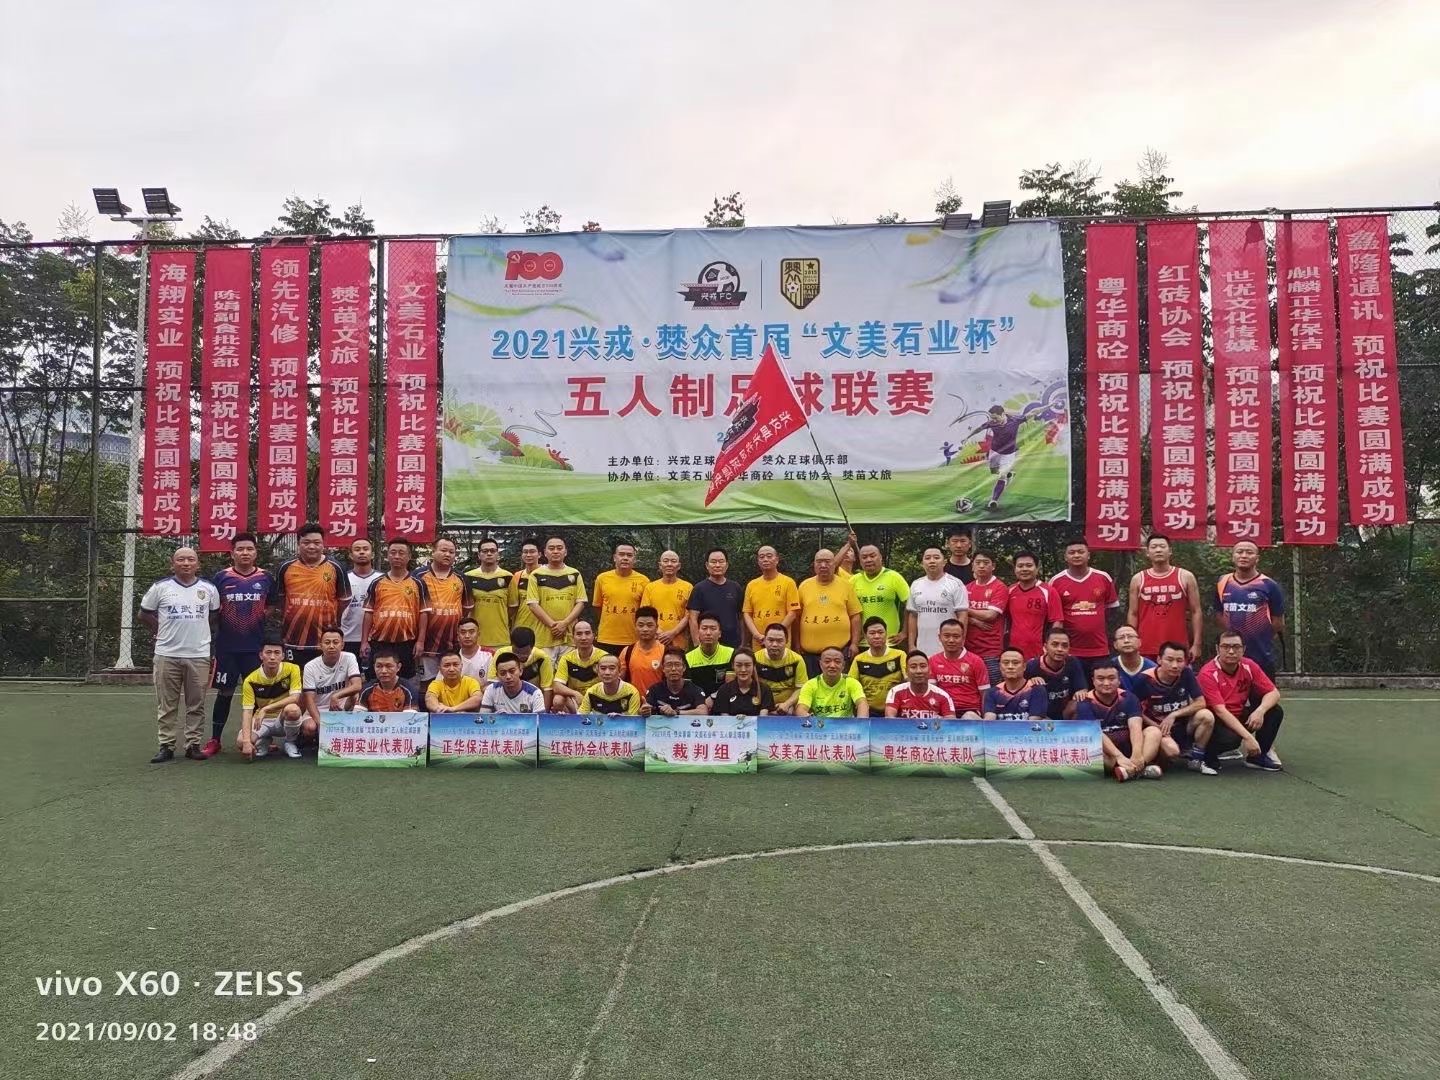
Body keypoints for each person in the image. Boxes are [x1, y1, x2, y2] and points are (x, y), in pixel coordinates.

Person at [140, 546, 220, 762]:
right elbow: (144, 614)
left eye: (190, 559)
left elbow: (213, 616)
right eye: (181, 559)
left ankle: (193, 744)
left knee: (196, 703)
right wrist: (160, 630)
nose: (186, 563)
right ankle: (166, 745)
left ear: (197, 564)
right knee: (167, 703)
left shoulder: (209, 589)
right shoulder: (160, 588)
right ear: (172, 564)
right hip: (167, 654)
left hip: (198, 655)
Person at [207, 533, 273, 758]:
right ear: (232, 553)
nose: (245, 553)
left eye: (249, 549)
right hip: (227, 648)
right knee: (225, 692)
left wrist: (255, 621)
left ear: (256, 552)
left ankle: (260, 737)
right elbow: (213, 610)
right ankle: (215, 739)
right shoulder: (221, 577)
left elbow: (271, 606)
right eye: (240, 549)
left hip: (254, 648)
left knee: (258, 693)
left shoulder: (265, 577)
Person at [1197, 630, 1285, 772]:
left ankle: (1257, 757)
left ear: (1243, 649)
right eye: (1226, 647)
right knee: (1231, 739)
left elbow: (1273, 693)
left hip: (1238, 714)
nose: (1231, 651)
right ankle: (1207, 754)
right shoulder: (1208, 673)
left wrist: (1260, 711)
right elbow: (1220, 711)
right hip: (1216, 721)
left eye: (1236, 647)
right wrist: (1248, 737)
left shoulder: (1249, 665)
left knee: (1274, 711)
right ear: (1217, 649)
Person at [269, 522, 351, 671]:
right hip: (293, 638)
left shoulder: (336, 567)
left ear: (323, 544)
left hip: (325, 640)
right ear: (298, 544)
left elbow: (344, 600)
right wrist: (293, 614)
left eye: (316, 543)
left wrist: (334, 620)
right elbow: (280, 599)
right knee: (295, 680)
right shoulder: (285, 567)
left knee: (325, 680)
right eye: (306, 543)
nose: (312, 547)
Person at [1133, 640, 1217, 775]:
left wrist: (1174, 714)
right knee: (1172, 751)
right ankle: (1153, 763)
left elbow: (1201, 702)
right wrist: (1157, 727)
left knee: (1206, 716)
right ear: (1159, 660)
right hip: (1156, 728)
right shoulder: (1145, 679)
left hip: (1181, 725)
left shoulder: (1186, 673)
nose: (1175, 665)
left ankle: (1196, 760)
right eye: (1169, 660)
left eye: (1179, 661)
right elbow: (1134, 712)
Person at [1077, 660, 1160, 782]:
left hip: (1129, 749)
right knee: (1090, 750)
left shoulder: (1129, 697)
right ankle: (1137, 770)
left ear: (1119, 680)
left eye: (1111, 678)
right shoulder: (1085, 703)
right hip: (1108, 753)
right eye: (1100, 679)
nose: (1106, 683)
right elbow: (1096, 733)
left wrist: (1137, 754)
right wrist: (1118, 756)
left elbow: (1135, 727)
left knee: (1154, 731)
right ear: (1093, 681)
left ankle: (1132, 769)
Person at [1213, 541, 1287, 679]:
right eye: (1239, 552)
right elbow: (1219, 614)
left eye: (1249, 552)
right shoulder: (1223, 582)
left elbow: (1278, 622)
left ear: (1257, 558)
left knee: (1265, 693)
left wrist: (1260, 635)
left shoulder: (1269, 585)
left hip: (1261, 657)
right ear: (1233, 556)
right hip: (1230, 658)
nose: (1244, 556)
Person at [1048, 538, 1120, 680]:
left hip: (1099, 649)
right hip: (1069, 651)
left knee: (1101, 686)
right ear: (1065, 557)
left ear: (1088, 555)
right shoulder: (1056, 581)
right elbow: (1055, 617)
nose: (1076, 555)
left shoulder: (1103, 577)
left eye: (1080, 552)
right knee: (1076, 689)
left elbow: (1111, 610)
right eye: (1072, 552)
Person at [1127, 533, 1202, 662]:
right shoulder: (1138, 579)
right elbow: (1133, 613)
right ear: (1147, 552)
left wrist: (1197, 644)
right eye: (1154, 547)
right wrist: (1131, 642)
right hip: (1146, 646)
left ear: (1170, 551)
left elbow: (1196, 611)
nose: (1158, 550)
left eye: (1162, 546)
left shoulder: (1185, 576)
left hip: (1177, 647)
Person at [362, 538, 429, 679]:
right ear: (387, 555)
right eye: (393, 552)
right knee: (377, 679)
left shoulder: (418, 583)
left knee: (405, 681)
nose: (397, 556)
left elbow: (423, 614)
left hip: (406, 642)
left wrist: (420, 641)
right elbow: (368, 612)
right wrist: (364, 641)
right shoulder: (377, 582)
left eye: (401, 553)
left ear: (409, 556)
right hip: (379, 642)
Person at [957, 404, 1036, 511]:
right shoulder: (992, 423)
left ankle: (994, 500)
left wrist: (1049, 405)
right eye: (992, 418)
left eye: (995, 417)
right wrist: (967, 437)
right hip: (994, 452)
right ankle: (1009, 474)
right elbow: (979, 429)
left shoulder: (1015, 420)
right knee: (994, 471)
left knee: (1002, 476)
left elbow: (1033, 412)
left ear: (1002, 414)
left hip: (1008, 454)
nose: (993, 420)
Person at [796, 549, 862, 676]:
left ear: (834, 563)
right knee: (811, 686)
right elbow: (797, 618)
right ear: (814, 564)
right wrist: (797, 644)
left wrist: (854, 643)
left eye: (827, 561)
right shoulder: (804, 586)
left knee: (839, 686)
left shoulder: (846, 585)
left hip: (840, 653)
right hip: (809, 655)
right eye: (819, 562)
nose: (823, 565)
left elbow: (855, 616)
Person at [238, 638, 304, 760]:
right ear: (261, 655)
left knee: (293, 710)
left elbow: (295, 698)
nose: (272, 657)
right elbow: (247, 711)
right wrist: (246, 742)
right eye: (268, 652)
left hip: (283, 718)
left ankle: (290, 742)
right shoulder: (250, 680)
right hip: (261, 721)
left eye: (277, 653)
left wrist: (266, 709)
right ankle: (264, 740)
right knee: (241, 742)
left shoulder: (292, 669)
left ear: (283, 656)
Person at [416, 536, 472, 680]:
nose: (447, 554)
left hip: (452, 643)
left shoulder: (462, 578)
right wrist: (419, 641)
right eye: (443, 550)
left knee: (452, 680)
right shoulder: (418, 576)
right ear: (433, 552)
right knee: (426, 682)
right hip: (426, 643)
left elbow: (466, 609)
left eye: (451, 552)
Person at [526, 535, 586, 658]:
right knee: (545, 670)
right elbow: (532, 604)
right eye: (551, 548)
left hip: (569, 638)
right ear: (545, 552)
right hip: (544, 638)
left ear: (565, 552)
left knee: (567, 669)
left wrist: (565, 624)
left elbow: (581, 602)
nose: (555, 551)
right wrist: (553, 626)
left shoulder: (574, 574)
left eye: (559, 548)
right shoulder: (536, 575)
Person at [907, 546, 968, 657]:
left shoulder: (955, 584)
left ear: (944, 562)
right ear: (922, 563)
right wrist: (911, 645)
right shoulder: (916, 584)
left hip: (948, 649)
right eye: (927, 558)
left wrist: (960, 643)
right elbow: (913, 616)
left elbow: (963, 615)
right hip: (922, 648)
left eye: (936, 557)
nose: (932, 561)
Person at [592, 540, 650, 655]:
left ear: (634, 559)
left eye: (629, 555)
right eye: (621, 554)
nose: (625, 558)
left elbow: (644, 612)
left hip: (632, 639)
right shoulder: (602, 578)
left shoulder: (644, 581)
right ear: (614, 557)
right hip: (606, 638)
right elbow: (597, 607)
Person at [849, 543, 910, 648]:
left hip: (889, 642)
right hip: (862, 643)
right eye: (864, 557)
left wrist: (904, 632)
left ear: (880, 557)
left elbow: (910, 606)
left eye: (872, 556)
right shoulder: (854, 580)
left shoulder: (894, 577)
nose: (868, 560)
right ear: (860, 561)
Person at [1006, 550, 1062, 662]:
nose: (1024, 569)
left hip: (1040, 653)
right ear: (1015, 569)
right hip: (1014, 653)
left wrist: (1050, 648)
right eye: (1020, 566)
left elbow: (1057, 622)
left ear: (1037, 568)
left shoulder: (1049, 591)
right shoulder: (1009, 591)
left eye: (1029, 565)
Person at [301, 626, 363, 727]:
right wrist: (321, 724)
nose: (331, 646)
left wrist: (336, 696)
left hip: (340, 706)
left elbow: (357, 685)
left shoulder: (349, 657)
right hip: (318, 708)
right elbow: (309, 699)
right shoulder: (310, 666)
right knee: (310, 728)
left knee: (356, 699)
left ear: (342, 645)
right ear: (320, 645)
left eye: (335, 642)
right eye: (327, 642)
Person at [1023, 627, 1090, 721]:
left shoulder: (1073, 662)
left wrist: (1082, 692)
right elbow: (1020, 694)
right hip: (1041, 715)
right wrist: (1030, 683)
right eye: (1055, 645)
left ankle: (1074, 730)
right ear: (1045, 647)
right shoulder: (1032, 665)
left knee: (1081, 703)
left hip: (1064, 714)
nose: (1060, 649)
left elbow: (1082, 689)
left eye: (1064, 646)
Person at [928, 618, 990, 718]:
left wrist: (985, 718)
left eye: (956, 636)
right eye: (946, 636)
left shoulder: (976, 661)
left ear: (963, 638)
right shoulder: (933, 661)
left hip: (970, 710)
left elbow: (985, 693)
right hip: (944, 710)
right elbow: (932, 691)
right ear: (939, 637)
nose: (951, 640)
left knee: (968, 716)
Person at [742, 545, 801, 647]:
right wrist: (756, 635)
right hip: (759, 642)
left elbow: (792, 613)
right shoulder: (751, 585)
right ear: (758, 561)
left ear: (777, 559)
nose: (765, 559)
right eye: (762, 557)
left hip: (780, 641)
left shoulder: (788, 582)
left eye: (769, 556)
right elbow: (747, 613)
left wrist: (775, 634)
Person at [964, 551, 1009, 683]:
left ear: (993, 566)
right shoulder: (966, 588)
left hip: (991, 652)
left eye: (986, 563)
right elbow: (957, 614)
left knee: (991, 687)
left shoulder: (999, 587)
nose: (981, 566)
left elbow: (990, 615)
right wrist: (974, 621)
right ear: (972, 566)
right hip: (968, 650)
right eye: (978, 563)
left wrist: (966, 609)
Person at [485, 626, 556, 710]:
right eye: (516, 652)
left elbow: (547, 689)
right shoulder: (501, 653)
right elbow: (492, 683)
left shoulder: (542, 658)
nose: (519, 656)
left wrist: (544, 715)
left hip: (531, 700)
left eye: (525, 653)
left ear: (532, 647)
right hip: (505, 701)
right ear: (511, 645)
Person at [686, 547, 743, 648]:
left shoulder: (735, 587)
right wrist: (697, 643)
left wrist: (743, 643)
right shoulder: (699, 588)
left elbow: (741, 617)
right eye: (713, 562)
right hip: (707, 645)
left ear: (727, 565)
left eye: (721, 561)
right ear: (707, 565)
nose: (717, 565)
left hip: (733, 644)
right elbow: (692, 618)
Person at [463, 536, 512, 651]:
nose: (489, 554)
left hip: (500, 639)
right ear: (479, 555)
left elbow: (512, 607)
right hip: (474, 640)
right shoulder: (468, 577)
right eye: (485, 551)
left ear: (498, 554)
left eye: (492, 551)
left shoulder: (508, 577)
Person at [849, 615, 906, 713]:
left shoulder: (900, 655)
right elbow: (851, 685)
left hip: (896, 710)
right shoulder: (859, 659)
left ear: (886, 634)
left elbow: (908, 679)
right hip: (869, 712)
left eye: (880, 632)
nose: (877, 636)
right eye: (872, 633)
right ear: (865, 636)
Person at [797, 647, 870, 718]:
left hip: (846, 724)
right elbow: (801, 709)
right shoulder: (810, 685)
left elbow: (862, 704)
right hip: (820, 724)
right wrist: (807, 717)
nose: (832, 665)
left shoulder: (852, 682)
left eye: (837, 662)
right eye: (827, 661)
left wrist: (861, 722)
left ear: (843, 665)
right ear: (820, 664)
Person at [640, 550, 692, 649]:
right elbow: (645, 613)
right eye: (666, 561)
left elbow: (688, 615)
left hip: (679, 642)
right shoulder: (650, 587)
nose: (669, 564)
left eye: (673, 561)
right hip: (655, 639)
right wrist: (659, 633)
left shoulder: (688, 587)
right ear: (660, 565)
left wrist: (673, 633)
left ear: (679, 566)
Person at [550, 619, 605, 713]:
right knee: (558, 700)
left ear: (594, 635)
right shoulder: (567, 658)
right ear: (573, 637)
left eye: (587, 633)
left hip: (598, 699)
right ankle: (573, 719)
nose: (583, 637)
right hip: (576, 700)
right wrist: (575, 693)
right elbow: (557, 686)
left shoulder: (604, 657)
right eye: (579, 634)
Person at [982, 647, 1050, 721]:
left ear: (1024, 667)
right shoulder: (992, 692)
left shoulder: (1036, 690)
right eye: (1006, 663)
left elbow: (1034, 722)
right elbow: (989, 720)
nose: (1010, 667)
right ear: (1000, 667)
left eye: (1015, 663)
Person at [341, 538, 381, 662]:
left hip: (375, 638)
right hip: (347, 637)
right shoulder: (343, 579)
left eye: (365, 549)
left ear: (372, 554)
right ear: (350, 555)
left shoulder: (382, 579)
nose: (362, 552)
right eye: (357, 549)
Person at [754, 622, 807, 715]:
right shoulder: (755, 659)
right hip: (762, 705)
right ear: (764, 640)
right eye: (770, 640)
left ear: (787, 641)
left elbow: (801, 688)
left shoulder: (797, 660)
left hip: (788, 706)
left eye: (779, 641)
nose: (774, 644)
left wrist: (787, 704)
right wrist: (764, 707)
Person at [883, 652, 955, 718]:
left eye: (923, 666)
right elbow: (889, 719)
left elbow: (951, 723)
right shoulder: (896, 692)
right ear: (906, 671)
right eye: (913, 667)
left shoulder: (943, 695)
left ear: (930, 670)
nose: (918, 671)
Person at [706, 648, 775, 716]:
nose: (743, 670)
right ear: (733, 666)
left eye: (747, 665)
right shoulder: (724, 690)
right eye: (739, 665)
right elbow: (725, 718)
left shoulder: (764, 689)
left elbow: (763, 717)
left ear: (754, 666)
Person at [617, 606, 666, 699]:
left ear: (657, 627)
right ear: (635, 626)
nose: (645, 629)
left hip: (659, 702)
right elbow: (619, 680)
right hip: (634, 702)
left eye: (649, 625)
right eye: (641, 625)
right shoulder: (627, 652)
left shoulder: (665, 651)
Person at [643, 649, 709, 717]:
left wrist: (676, 712)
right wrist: (644, 711)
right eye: (669, 665)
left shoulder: (695, 690)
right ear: (663, 668)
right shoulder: (654, 690)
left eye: (677, 665)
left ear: (684, 668)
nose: (673, 669)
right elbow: (645, 708)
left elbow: (703, 712)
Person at [354, 648, 422, 712]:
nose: (383, 671)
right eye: (379, 666)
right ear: (374, 667)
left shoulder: (409, 689)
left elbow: (410, 718)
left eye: (389, 666)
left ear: (398, 667)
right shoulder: (366, 689)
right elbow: (358, 715)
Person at [684, 612, 735, 695]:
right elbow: (688, 689)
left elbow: (730, 686)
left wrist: (713, 698)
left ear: (720, 633)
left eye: (713, 629)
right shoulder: (688, 657)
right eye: (704, 628)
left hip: (722, 699)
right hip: (697, 700)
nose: (708, 633)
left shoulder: (731, 653)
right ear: (698, 632)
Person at [480, 652, 546, 714]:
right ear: (497, 675)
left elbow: (540, 721)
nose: (508, 677)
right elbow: (484, 719)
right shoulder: (491, 689)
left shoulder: (535, 693)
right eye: (503, 673)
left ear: (520, 671)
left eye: (512, 671)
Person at [578, 653, 644, 715]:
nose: (607, 673)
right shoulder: (591, 692)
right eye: (603, 668)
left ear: (619, 671)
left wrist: (621, 718)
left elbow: (633, 720)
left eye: (612, 668)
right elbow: (581, 717)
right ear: (598, 672)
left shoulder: (631, 692)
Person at [509, 538, 544, 641]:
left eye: (532, 552)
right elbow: (513, 605)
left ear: (539, 554)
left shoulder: (547, 574)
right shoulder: (517, 576)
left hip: (542, 627)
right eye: (525, 552)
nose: (528, 555)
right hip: (521, 626)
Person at [1111, 625, 1157, 692]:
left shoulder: (1153, 669)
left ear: (1139, 642)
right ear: (1115, 645)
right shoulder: (1109, 667)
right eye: (1121, 637)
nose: (1126, 641)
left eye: (1130, 636)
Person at [455, 617, 494, 682]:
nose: (467, 636)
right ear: (458, 636)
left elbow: (494, 683)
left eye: (471, 632)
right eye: (463, 632)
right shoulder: (451, 657)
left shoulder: (490, 655)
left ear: (478, 634)